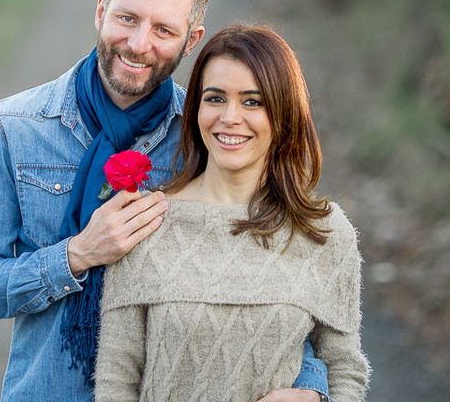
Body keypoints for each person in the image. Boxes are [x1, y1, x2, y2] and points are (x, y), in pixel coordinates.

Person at [0, 0, 330, 402]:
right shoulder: (15, 126)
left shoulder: (208, 137)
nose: (137, 44)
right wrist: (76, 255)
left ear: (191, 41)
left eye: (163, 30)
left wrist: (309, 386)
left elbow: (269, 291)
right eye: (127, 18)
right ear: (101, 11)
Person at [94, 24, 370, 402]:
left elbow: (345, 368)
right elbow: (116, 379)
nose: (230, 117)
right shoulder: (146, 221)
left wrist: (319, 399)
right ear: (196, 109)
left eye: (252, 102)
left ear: (283, 112)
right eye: (215, 98)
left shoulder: (324, 232)